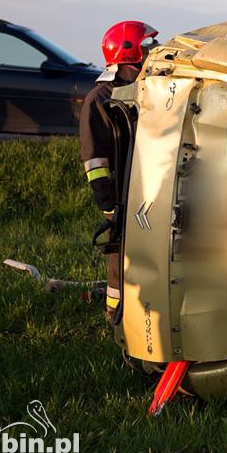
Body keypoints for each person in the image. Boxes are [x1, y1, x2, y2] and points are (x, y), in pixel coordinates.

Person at [79, 20, 158, 321]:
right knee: (121, 258)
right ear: (130, 52)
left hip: (150, 186)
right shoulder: (98, 101)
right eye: (146, 46)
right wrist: (109, 207)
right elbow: (94, 161)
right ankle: (117, 318)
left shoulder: (147, 90)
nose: (150, 52)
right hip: (121, 195)